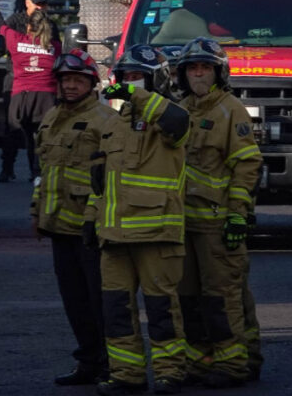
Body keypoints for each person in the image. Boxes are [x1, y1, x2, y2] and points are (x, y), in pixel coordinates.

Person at [86, 45, 190, 396]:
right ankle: (126, 374)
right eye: (125, 77)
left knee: (161, 311)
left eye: (136, 77)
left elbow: (177, 125)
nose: (128, 84)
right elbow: (99, 180)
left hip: (156, 232)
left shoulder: (172, 115)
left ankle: (170, 372)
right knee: (116, 311)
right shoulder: (112, 124)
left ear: (155, 79)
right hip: (114, 236)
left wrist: (136, 93)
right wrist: (90, 219)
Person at [174, 38, 262, 387]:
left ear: (218, 73)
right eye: (193, 68)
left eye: (205, 67)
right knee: (188, 299)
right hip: (182, 223)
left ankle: (235, 365)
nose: (198, 73)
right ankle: (200, 362)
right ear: (182, 74)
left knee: (223, 297)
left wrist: (237, 213)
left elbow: (246, 164)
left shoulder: (230, 110)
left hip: (216, 224)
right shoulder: (178, 110)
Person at [32, 49, 119, 386]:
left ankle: (113, 364)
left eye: (77, 80)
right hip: (58, 227)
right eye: (65, 79)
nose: (69, 86)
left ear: (91, 83)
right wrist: (35, 211)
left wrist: (100, 220)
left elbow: (112, 176)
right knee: (74, 302)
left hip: (90, 228)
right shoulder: (51, 118)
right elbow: (43, 171)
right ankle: (88, 361)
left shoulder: (104, 121)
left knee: (101, 301)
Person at [0, 0, 60, 182]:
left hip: (34, 85)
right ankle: (7, 167)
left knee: (39, 132)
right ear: (27, 2)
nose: (40, 7)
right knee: (12, 129)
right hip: (16, 80)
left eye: (43, 4)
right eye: (37, 3)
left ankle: (36, 170)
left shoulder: (50, 25)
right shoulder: (16, 21)